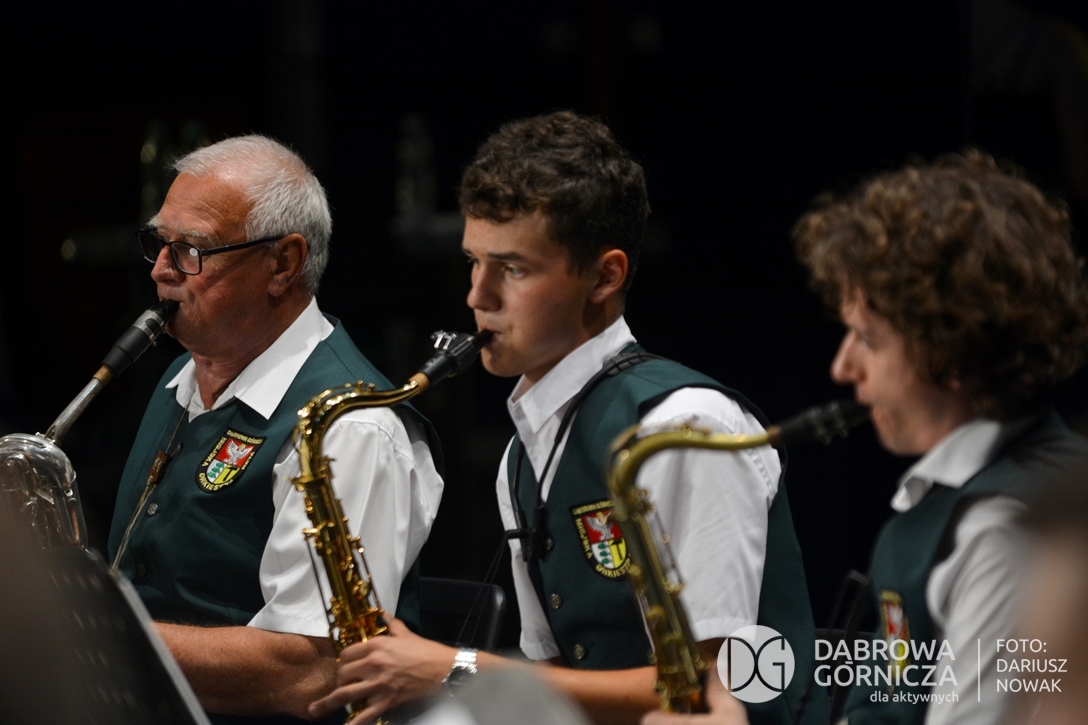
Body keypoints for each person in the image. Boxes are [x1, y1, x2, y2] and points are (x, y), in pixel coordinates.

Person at [309, 111, 823, 725]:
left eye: (513, 269)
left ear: (605, 276)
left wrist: (453, 670)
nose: (477, 296)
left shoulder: (686, 429)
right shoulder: (521, 455)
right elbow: (550, 685)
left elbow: (711, 693)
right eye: (474, 262)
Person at [107, 135, 444, 724]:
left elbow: (311, 670)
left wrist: (93, 634)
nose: (161, 270)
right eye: (159, 244)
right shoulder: (179, 379)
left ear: (282, 265)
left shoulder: (353, 429)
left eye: (191, 251)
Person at [793, 149, 1088, 724]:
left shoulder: (1003, 531)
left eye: (868, 340)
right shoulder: (963, 499)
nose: (842, 368)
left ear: (949, 353)